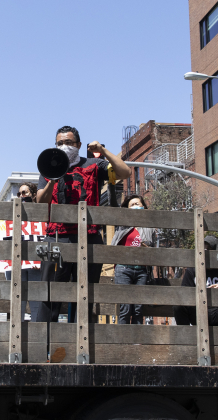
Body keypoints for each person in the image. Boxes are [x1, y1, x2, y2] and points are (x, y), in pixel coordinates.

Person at [36, 125, 132, 324]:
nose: (64, 146)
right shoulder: (48, 165)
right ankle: (44, 341)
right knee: (49, 295)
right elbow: (41, 202)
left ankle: (80, 341)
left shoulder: (94, 165)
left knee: (84, 297)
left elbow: (125, 172)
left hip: (89, 236)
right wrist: (53, 177)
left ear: (79, 145)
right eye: (60, 143)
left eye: (69, 142)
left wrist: (103, 151)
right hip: (56, 237)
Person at [110, 195, 155, 324]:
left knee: (138, 309)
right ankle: (122, 336)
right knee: (125, 308)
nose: (135, 206)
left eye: (137, 204)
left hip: (141, 270)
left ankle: (137, 336)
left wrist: (145, 247)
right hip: (124, 269)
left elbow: (153, 250)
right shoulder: (123, 225)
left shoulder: (149, 226)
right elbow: (112, 202)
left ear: (143, 206)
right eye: (132, 205)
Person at [174, 236, 218, 327]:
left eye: (209, 249)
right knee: (178, 306)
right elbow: (183, 297)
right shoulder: (192, 271)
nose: (205, 253)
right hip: (198, 311)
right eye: (203, 250)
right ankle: (186, 334)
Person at [16, 182, 43, 322]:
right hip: (18, 264)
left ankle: (36, 332)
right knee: (17, 302)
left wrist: (40, 260)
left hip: (35, 265)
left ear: (33, 195)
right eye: (19, 193)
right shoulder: (14, 212)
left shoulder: (41, 212)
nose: (21, 196)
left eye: (24, 192)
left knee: (36, 302)